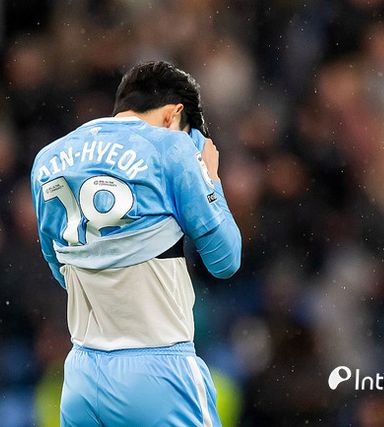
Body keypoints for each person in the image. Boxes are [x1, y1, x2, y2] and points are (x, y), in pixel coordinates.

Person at [30, 61, 241, 427]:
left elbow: (58, 267)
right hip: (158, 372)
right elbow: (226, 260)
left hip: (81, 375)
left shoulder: (47, 159)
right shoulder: (171, 147)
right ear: (174, 115)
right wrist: (211, 179)